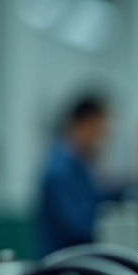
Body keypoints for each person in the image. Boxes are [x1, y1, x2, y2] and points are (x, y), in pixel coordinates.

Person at [37, 95, 112, 257]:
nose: (102, 141)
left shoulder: (80, 167)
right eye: (100, 132)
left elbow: (106, 194)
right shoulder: (60, 172)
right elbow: (76, 227)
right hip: (64, 264)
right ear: (86, 125)